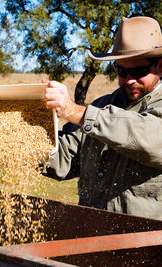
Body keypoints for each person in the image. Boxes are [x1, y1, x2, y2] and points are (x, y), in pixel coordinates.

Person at [42, 16, 162, 220]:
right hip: (91, 234)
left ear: (160, 66)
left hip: (147, 244)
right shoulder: (101, 106)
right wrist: (25, 136)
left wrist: (76, 112)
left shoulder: (92, 114)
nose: (129, 79)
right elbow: (63, 160)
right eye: (121, 71)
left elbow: (147, 138)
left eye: (139, 71)